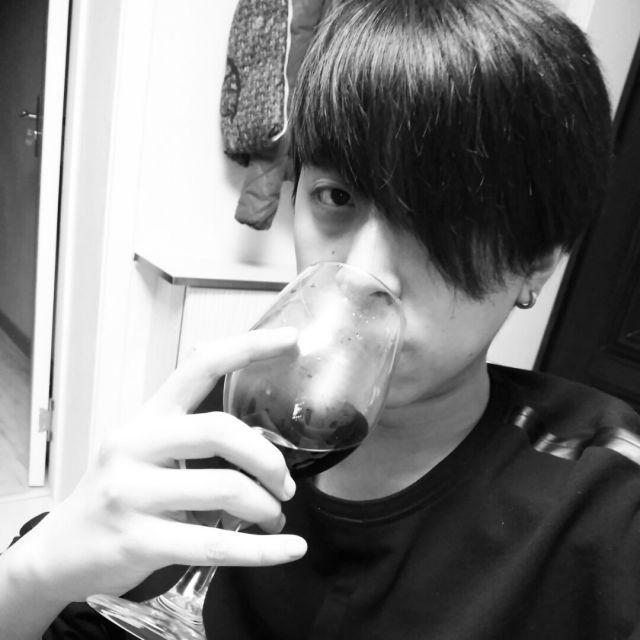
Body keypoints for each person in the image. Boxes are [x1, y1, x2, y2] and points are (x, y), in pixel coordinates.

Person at [2, 0, 636, 637]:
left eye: (447, 217)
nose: (366, 273)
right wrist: (34, 573)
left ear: (536, 262)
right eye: (337, 197)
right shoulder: (232, 419)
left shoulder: (606, 510)